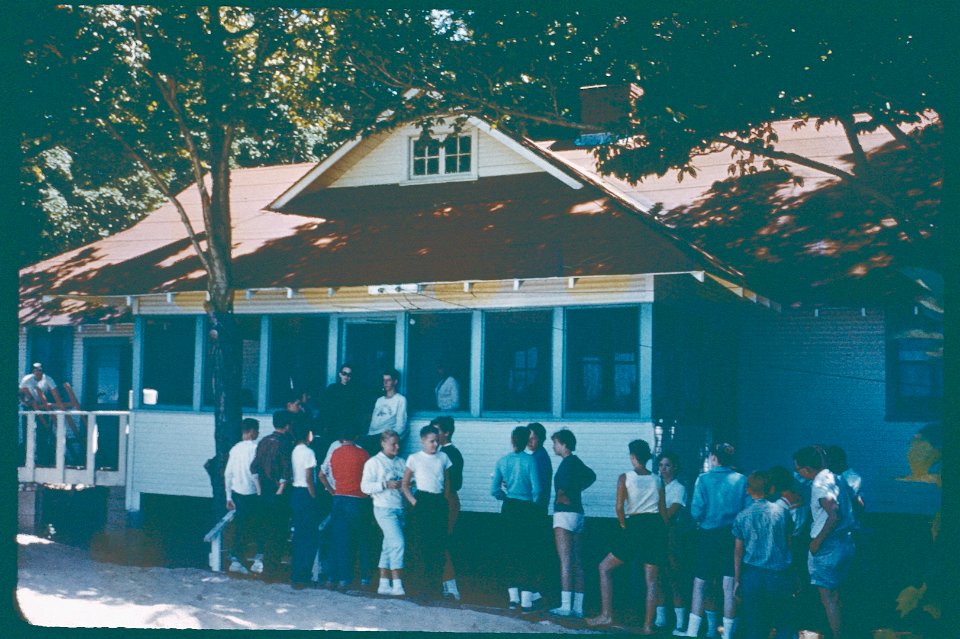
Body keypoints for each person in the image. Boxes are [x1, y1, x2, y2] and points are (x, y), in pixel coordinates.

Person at [587, 439, 665, 634]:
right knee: (652, 579)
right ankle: (648, 625)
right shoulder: (658, 479)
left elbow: (619, 507)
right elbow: (663, 511)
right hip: (655, 526)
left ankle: (606, 614)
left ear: (632, 456)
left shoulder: (625, 477)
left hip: (634, 524)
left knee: (604, 567)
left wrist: (623, 525)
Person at [675, 442, 748, 639]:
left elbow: (696, 511)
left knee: (700, 584)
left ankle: (691, 631)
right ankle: (727, 635)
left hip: (708, 536)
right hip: (733, 537)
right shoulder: (742, 480)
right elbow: (747, 511)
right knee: (729, 586)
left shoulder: (703, 479)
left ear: (714, 458)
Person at [794, 445, 857, 639]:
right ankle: (842, 632)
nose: (797, 473)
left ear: (807, 469)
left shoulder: (820, 484)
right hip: (845, 542)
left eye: (798, 469)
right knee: (836, 597)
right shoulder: (835, 477)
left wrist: (817, 542)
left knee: (828, 598)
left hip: (827, 546)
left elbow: (834, 514)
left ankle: (838, 635)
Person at [732, 471, 794, 639]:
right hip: (779, 572)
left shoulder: (742, 517)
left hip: (752, 573)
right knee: (784, 620)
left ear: (748, 490)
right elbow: (789, 544)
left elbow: (738, 552)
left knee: (754, 622)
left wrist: (737, 579)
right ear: (771, 489)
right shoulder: (782, 513)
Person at [491, 425, 542, 611]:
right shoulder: (531, 461)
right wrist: (534, 504)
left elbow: (494, 489)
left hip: (509, 506)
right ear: (527, 440)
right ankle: (527, 600)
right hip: (527, 508)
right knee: (527, 552)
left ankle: (513, 598)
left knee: (510, 550)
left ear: (512, 440)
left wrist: (503, 496)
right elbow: (537, 489)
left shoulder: (503, 461)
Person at [548, 429, 596, 619]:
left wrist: (563, 495)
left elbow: (562, 487)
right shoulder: (577, 462)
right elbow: (591, 476)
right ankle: (578, 607)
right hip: (578, 512)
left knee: (565, 560)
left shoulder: (566, 464)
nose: (554, 446)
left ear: (563, 443)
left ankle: (565, 606)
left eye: (555, 443)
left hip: (564, 514)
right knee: (577, 561)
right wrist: (578, 489)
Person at [401, 424, 453, 598]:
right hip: (422, 501)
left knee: (437, 545)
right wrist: (414, 502)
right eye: (431, 441)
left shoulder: (443, 457)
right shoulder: (414, 458)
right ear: (423, 440)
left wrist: (444, 501)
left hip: (438, 502)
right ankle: (420, 588)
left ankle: (435, 587)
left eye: (437, 441)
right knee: (420, 545)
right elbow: (405, 484)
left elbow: (446, 482)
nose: (435, 445)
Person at [318, 429, 372, 590]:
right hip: (357, 500)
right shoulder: (363, 454)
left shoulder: (335, 453)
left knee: (338, 539)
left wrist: (332, 491)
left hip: (338, 498)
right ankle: (351, 579)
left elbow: (321, 475)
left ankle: (332, 578)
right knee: (357, 540)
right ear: (357, 435)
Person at [361, 429, 408, 596]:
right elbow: (364, 487)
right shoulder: (373, 463)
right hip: (383, 507)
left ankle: (383, 583)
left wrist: (406, 486)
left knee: (388, 545)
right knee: (398, 543)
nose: (397, 447)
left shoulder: (401, 462)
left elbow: (410, 483)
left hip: (400, 507)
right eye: (393, 444)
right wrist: (384, 484)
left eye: (398, 444)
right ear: (383, 443)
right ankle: (397, 583)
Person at [249, 410, 295, 578]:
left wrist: (259, 490)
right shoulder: (286, 443)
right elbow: (286, 471)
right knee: (279, 532)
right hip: (278, 494)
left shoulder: (264, 441)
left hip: (264, 491)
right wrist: (280, 492)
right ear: (288, 425)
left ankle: (264, 566)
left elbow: (254, 467)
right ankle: (272, 570)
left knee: (266, 530)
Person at [656, 450, 691, 634]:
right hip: (655, 534)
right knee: (658, 576)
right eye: (660, 465)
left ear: (675, 467)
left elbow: (669, 514)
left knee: (674, 576)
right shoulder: (655, 483)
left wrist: (655, 512)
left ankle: (680, 621)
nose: (663, 469)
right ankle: (660, 619)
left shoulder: (679, 488)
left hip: (672, 535)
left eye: (667, 465)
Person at [224, 418, 262, 575]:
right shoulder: (255, 448)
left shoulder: (235, 449)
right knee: (258, 525)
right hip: (253, 492)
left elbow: (228, 473)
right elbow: (255, 472)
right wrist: (260, 491)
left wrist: (228, 496)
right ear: (252, 431)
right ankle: (258, 559)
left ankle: (237, 559)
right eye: (257, 430)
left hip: (237, 492)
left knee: (241, 526)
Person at [434, 416, 463, 601]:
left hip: (447, 500)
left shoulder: (450, 454)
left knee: (441, 541)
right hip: (442, 500)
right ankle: (445, 584)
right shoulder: (441, 453)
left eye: (437, 430)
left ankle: (451, 586)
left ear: (446, 433)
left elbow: (454, 483)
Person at [289, 418, 320, 589]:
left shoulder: (295, 450)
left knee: (299, 534)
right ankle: (303, 574)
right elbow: (309, 478)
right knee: (310, 536)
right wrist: (314, 496)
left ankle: (296, 573)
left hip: (295, 493)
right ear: (308, 434)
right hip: (306, 493)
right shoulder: (309, 452)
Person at [525, 422, 552, 608]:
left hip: (535, 511)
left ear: (541, 439)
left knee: (533, 551)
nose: (530, 441)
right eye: (528, 437)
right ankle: (534, 590)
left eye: (533, 437)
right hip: (535, 510)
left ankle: (535, 591)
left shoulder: (539, 458)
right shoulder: (536, 456)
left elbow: (537, 487)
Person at [364, 368, 407, 455]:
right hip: (371, 436)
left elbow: (401, 425)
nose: (385, 383)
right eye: (384, 380)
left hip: (385, 437)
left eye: (388, 380)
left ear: (395, 382)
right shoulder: (379, 400)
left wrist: (392, 440)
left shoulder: (400, 399)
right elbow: (374, 421)